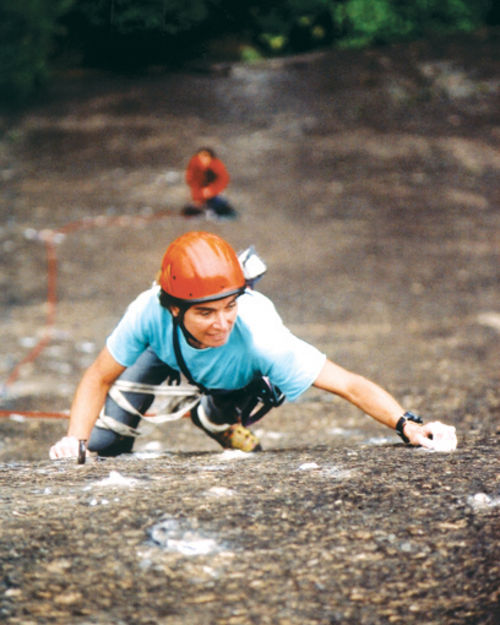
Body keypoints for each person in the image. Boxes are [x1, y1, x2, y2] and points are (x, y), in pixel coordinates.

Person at [49, 231, 457, 459]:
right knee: (104, 446)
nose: (222, 322)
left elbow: (347, 384)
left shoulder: (262, 338)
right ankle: (205, 412)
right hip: (165, 353)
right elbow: (97, 377)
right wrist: (75, 442)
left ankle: (216, 418)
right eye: (205, 313)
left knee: (228, 392)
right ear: (173, 308)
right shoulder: (148, 312)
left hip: (236, 375)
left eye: (229, 306)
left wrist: (408, 426)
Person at [183, 148, 237, 219]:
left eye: (205, 156)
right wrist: (198, 197)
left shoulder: (217, 166)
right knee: (190, 209)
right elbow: (193, 182)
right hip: (200, 195)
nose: (202, 159)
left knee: (221, 205)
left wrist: (211, 190)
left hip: (215, 194)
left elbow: (222, 181)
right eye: (200, 157)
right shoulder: (194, 166)